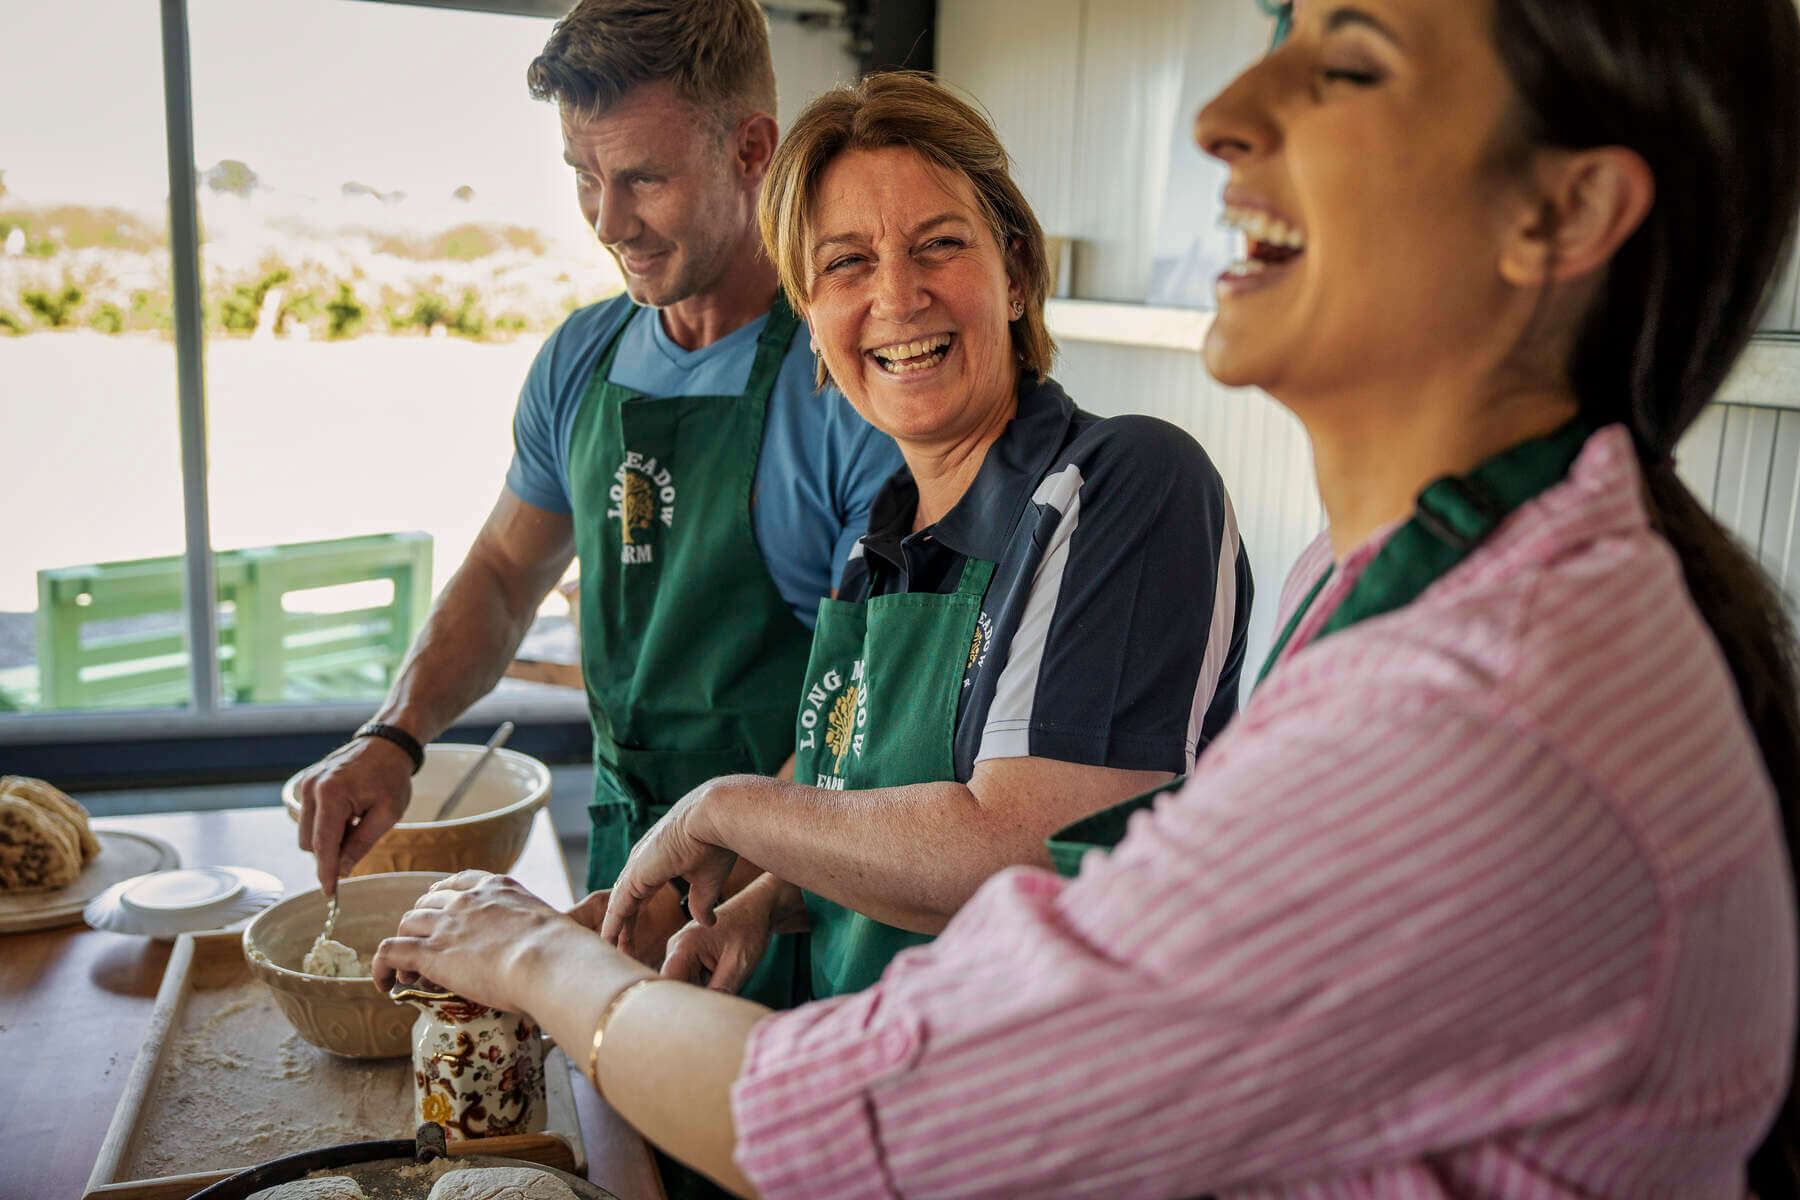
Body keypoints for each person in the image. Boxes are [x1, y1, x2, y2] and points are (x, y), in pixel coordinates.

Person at [374, 0, 1800, 1194]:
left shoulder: (1474, 716)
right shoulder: (1380, 591)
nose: (1224, 115)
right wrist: (784, 893)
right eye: (843, 266)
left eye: (1347, 59)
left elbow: (885, 1116)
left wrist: (542, 954)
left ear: (1564, 211)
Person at [596, 71, 1251, 1003]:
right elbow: (874, 805)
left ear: (1015, 275)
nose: (897, 298)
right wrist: (763, 905)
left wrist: (724, 810)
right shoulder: (885, 540)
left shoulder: (1126, 484)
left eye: (939, 245)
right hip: (864, 1092)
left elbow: (1016, 851)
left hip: (1034, 1115)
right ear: (812, 320)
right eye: (847, 264)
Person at [290, 0, 901, 964]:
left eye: (644, 178)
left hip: (798, 893)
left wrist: (677, 897)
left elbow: (867, 704)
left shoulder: (850, 382)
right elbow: (501, 571)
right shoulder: (583, 356)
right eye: (584, 176)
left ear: (752, 152)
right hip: (624, 853)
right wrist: (395, 735)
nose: (609, 222)